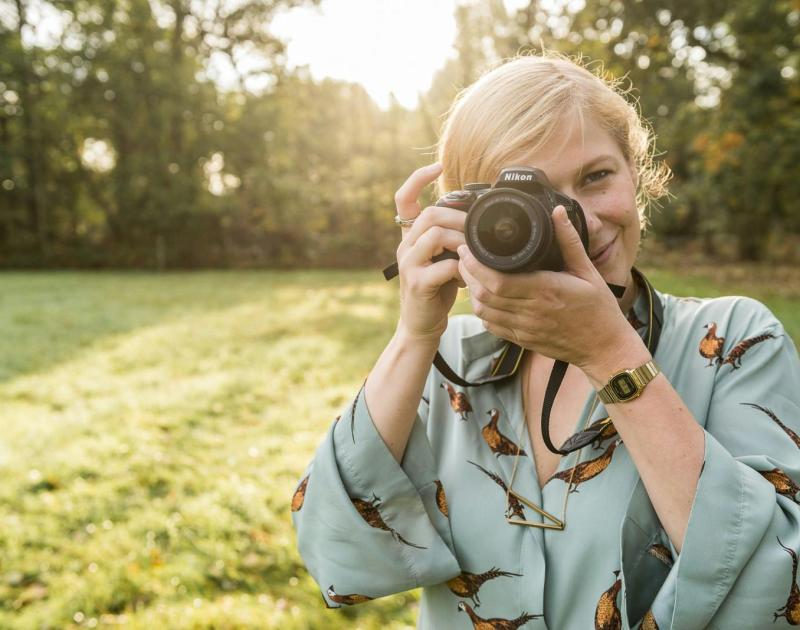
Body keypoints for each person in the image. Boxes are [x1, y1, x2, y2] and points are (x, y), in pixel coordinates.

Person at [291, 51, 800, 629]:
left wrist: (609, 354)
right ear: (472, 219)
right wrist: (415, 333)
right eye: (537, 201)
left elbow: (783, 587)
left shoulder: (735, 339)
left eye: (596, 176)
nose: (576, 221)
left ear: (636, 174)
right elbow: (336, 553)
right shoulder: (448, 358)